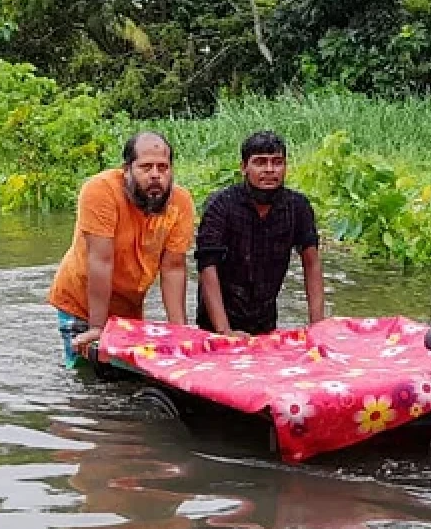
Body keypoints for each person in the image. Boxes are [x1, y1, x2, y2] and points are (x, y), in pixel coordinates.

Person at [48, 131, 195, 366]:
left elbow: (173, 268)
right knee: (87, 376)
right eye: (145, 167)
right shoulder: (101, 191)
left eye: (163, 167)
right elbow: (101, 261)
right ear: (127, 169)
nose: (155, 175)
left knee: (129, 379)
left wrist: (180, 331)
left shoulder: (181, 202)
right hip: (81, 302)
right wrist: (97, 328)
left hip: (128, 307)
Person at [194, 130, 325, 336]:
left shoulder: (297, 207)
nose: (270, 170)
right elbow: (207, 267)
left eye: (277, 162)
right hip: (215, 322)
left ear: (285, 167)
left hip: (265, 321)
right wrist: (224, 330)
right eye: (260, 162)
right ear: (244, 167)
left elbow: (312, 264)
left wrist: (318, 327)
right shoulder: (221, 205)